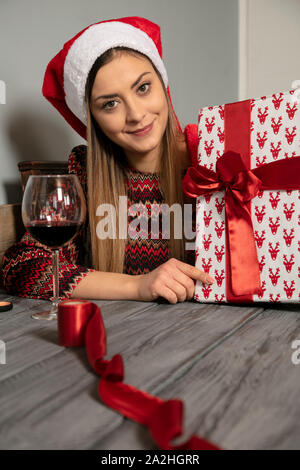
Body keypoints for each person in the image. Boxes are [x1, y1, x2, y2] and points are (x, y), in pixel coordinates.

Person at [2, 17, 215, 304]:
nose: (136, 114)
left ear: (163, 85)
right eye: (110, 104)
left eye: (142, 88)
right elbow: (23, 266)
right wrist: (138, 286)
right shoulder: (85, 171)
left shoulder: (212, 157)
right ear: (92, 119)